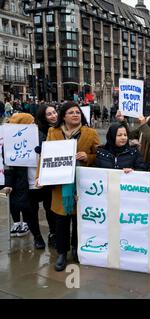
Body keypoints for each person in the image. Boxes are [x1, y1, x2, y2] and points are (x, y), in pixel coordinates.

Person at [45, 101, 100, 271]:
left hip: (81, 183)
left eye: (77, 112)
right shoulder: (53, 132)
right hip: (60, 183)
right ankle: (62, 252)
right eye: (71, 112)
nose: (75, 114)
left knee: (78, 220)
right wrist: (41, 177)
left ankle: (77, 248)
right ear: (63, 116)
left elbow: (100, 155)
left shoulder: (90, 133)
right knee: (61, 220)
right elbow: (46, 156)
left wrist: (88, 157)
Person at [3, 113, 46, 249]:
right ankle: (37, 237)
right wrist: (8, 184)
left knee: (50, 210)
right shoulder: (10, 142)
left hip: (43, 180)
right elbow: (8, 166)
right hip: (25, 183)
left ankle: (53, 235)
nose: (34, 124)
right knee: (30, 212)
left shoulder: (40, 135)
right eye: (31, 122)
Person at [31, 104, 59, 247]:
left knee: (50, 206)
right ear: (43, 117)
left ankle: (53, 233)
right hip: (36, 174)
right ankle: (38, 236)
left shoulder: (60, 128)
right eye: (49, 114)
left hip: (52, 174)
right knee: (35, 207)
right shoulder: (35, 132)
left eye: (54, 112)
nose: (53, 116)